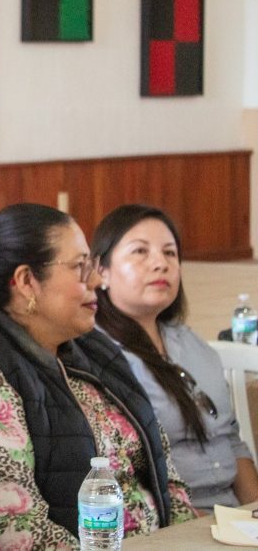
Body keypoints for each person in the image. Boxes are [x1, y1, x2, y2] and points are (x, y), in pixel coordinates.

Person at [0, 203, 197, 550]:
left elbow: (163, 470)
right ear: (27, 282)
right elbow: (17, 534)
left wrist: (187, 540)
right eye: (79, 267)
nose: (96, 279)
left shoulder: (95, 350)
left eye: (91, 264)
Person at [92, 204, 258, 511]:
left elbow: (231, 439)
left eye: (170, 253)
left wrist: (253, 515)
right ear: (101, 271)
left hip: (231, 517)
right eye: (140, 251)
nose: (160, 263)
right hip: (170, 522)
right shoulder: (95, 355)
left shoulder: (190, 343)